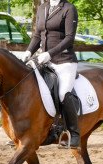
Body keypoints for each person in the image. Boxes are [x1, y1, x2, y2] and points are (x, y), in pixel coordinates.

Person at [22, 0, 80, 148]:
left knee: (62, 94)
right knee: (31, 88)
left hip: (64, 61)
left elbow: (69, 38)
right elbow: (37, 35)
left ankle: (74, 133)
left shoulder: (68, 9)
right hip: (44, 61)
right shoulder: (42, 8)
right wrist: (29, 51)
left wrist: (49, 53)